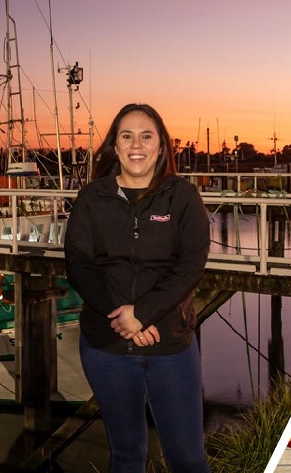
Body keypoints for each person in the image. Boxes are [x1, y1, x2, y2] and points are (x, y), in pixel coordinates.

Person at [65, 103, 211, 472]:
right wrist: (124, 318)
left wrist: (143, 315)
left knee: (188, 459)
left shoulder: (182, 197)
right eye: (126, 136)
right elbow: (80, 265)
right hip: (107, 345)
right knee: (127, 455)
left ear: (161, 146)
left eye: (147, 136)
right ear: (115, 146)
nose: (137, 144)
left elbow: (190, 266)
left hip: (170, 345)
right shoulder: (92, 199)